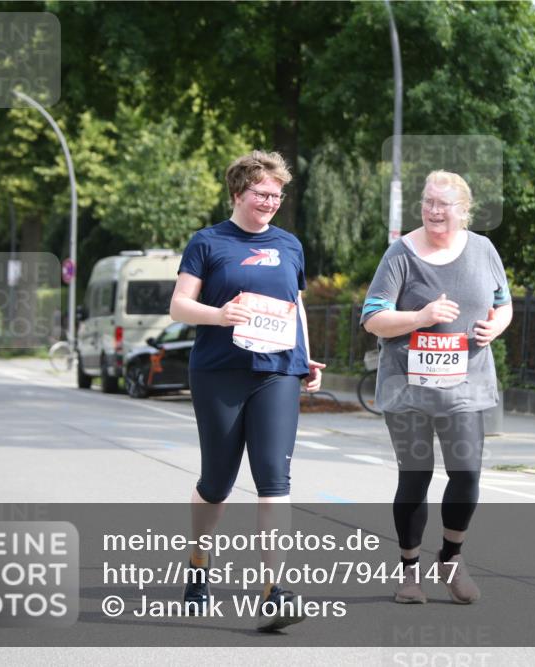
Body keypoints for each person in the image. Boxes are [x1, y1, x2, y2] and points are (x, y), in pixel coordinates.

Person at [169, 150, 325, 631]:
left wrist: (305, 357)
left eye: (277, 195)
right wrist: (218, 315)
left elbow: (295, 306)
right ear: (238, 192)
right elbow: (179, 306)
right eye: (262, 193)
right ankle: (198, 565)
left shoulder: (290, 245)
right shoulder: (208, 241)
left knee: (274, 482)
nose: (270, 202)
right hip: (219, 372)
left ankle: (275, 590)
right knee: (215, 482)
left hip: (276, 373)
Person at [361, 170, 513, 604]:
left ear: (463, 211)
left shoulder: (483, 250)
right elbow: (372, 317)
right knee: (416, 476)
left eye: (442, 204)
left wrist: (494, 328)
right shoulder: (401, 253)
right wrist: (420, 318)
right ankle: (409, 574)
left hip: (466, 384)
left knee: (466, 475)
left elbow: (503, 304)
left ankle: (450, 558)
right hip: (408, 387)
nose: (432, 210)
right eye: (428, 202)